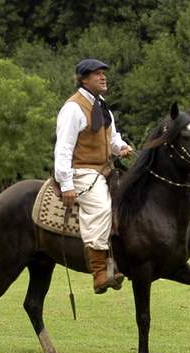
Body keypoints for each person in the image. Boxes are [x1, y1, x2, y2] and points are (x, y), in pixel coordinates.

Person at [54, 58, 134, 294]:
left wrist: (121, 148)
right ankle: (99, 272)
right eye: (97, 74)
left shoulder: (103, 106)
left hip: (105, 169)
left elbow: (112, 138)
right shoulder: (72, 108)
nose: (103, 77)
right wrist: (66, 183)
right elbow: (63, 149)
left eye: (103, 73)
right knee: (100, 207)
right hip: (81, 171)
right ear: (84, 79)